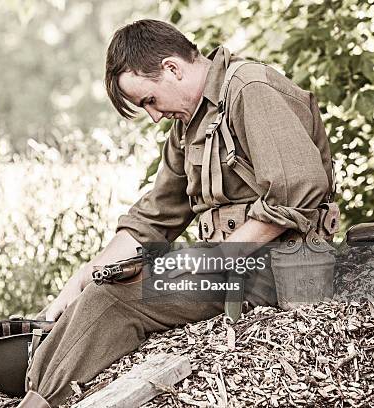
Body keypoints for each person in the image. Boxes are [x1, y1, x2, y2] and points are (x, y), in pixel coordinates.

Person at [17, 19, 337, 407]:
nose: (153, 115)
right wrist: (83, 276)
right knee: (97, 288)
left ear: (172, 68)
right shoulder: (189, 126)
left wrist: (216, 260)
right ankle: (27, 379)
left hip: (281, 271)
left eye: (149, 100)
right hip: (238, 268)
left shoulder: (251, 89)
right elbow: (155, 216)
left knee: (113, 298)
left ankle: (40, 401)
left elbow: (299, 189)